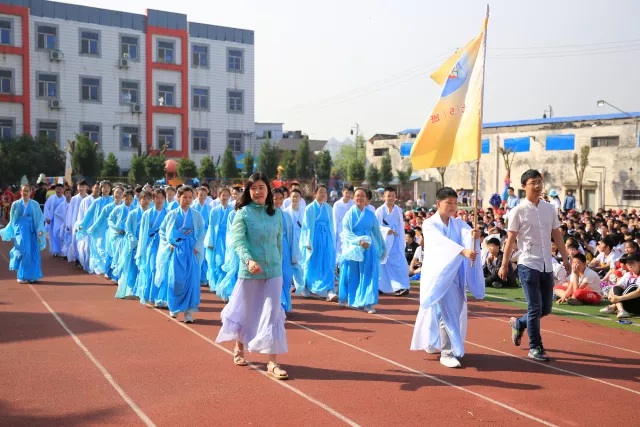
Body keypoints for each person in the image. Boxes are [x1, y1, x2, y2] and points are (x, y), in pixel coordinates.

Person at [215, 172, 288, 380]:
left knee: (273, 314)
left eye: (261, 187)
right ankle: (239, 347)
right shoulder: (243, 213)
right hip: (250, 271)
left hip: (273, 271)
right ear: (248, 191)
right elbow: (238, 241)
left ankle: (273, 362)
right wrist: (248, 260)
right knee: (247, 312)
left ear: (268, 190)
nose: (257, 191)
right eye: (253, 188)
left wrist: (280, 267)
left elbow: (279, 243)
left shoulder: (277, 214)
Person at [500, 169, 571, 362]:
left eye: (540, 182)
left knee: (545, 309)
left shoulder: (549, 208)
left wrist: (565, 259)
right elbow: (510, 239)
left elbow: (557, 235)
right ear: (524, 186)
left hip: (547, 264)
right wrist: (504, 263)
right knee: (534, 308)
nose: (538, 186)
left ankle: (519, 323)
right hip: (527, 264)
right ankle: (536, 347)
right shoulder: (517, 211)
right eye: (533, 182)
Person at [410, 187, 484, 369]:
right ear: (438, 204)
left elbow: (467, 234)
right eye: (448, 203)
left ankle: (434, 340)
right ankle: (446, 352)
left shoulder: (457, 223)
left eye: (454, 203)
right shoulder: (429, 224)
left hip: (455, 275)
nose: (452, 207)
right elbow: (440, 244)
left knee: (449, 311)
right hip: (437, 275)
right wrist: (463, 250)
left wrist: (474, 236)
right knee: (445, 312)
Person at [156, 186, 205, 322]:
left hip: (191, 250)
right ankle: (174, 307)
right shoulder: (172, 214)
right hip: (176, 250)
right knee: (175, 280)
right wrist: (169, 244)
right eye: (185, 197)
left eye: (190, 197)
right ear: (178, 198)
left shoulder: (196, 215)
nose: (188, 200)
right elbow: (162, 230)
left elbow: (201, 232)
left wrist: (197, 246)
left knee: (191, 280)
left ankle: (189, 312)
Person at [337, 188, 386, 313]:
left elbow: (376, 232)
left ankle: (367, 302)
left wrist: (381, 248)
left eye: (362, 196)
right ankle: (350, 298)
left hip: (368, 248)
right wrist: (359, 242)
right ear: (354, 198)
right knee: (351, 274)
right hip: (353, 248)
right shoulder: (349, 214)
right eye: (357, 196)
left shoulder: (371, 215)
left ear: (367, 199)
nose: (360, 198)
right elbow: (347, 232)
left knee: (368, 274)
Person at [0, 184, 46, 283]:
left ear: (30, 192)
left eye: (27, 191)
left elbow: (39, 218)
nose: (25, 193)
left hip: (31, 230)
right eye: (23, 191)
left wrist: (40, 229)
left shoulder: (35, 204)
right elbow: (12, 219)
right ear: (20, 192)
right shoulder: (15, 204)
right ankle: (22, 275)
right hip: (19, 230)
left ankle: (32, 276)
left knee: (32, 252)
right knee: (22, 250)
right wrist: (9, 230)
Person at [299, 184, 337, 301]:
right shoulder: (310, 208)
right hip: (314, 238)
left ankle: (330, 290)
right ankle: (308, 286)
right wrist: (307, 242)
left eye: (325, 192)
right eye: (320, 192)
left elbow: (331, 225)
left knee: (328, 263)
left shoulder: (329, 208)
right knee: (313, 263)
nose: (323, 194)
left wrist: (332, 241)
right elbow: (306, 227)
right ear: (315, 193)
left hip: (326, 239)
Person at [115, 190, 151, 299]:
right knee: (133, 267)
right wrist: (133, 240)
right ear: (139, 200)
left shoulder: (150, 213)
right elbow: (128, 229)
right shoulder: (133, 213)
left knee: (145, 267)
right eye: (143, 198)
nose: (145, 201)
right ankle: (132, 288)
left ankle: (142, 289)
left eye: (148, 199)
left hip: (147, 244)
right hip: (133, 245)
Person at [135, 188, 168, 307]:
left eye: (162, 198)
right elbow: (143, 233)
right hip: (152, 244)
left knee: (164, 269)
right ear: (153, 199)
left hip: (164, 245)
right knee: (153, 268)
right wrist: (142, 249)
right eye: (157, 197)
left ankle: (162, 297)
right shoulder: (147, 214)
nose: (159, 200)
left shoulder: (168, 213)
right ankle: (152, 295)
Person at [376, 187, 410, 296]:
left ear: (395, 197)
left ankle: (401, 286)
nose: (390, 198)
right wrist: (386, 230)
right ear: (384, 197)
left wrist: (402, 241)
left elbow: (400, 226)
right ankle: (381, 287)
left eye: (392, 196)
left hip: (396, 240)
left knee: (399, 263)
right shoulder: (380, 210)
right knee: (383, 264)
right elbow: (376, 226)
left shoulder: (398, 210)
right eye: (388, 196)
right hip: (384, 240)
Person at [272, 188, 300, 316]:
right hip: (271, 249)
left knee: (286, 276)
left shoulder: (286, 216)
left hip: (285, 249)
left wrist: (293, 254)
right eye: (275, 198)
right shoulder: (266, 215)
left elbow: (292, 237)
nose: (278, 201)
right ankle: (276, 307)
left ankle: (285, 305)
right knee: (274, 277)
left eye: (280, 198)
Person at [205, 187, 233, 294]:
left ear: (229, 197)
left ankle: (226, 288)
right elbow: (211, 226)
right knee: (219, 262)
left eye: (226, 195)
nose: (224, 197)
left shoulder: (233, 210)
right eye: (222, 195)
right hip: (218, 240)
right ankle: (219, 286)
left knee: (228, 262)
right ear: (219, 196)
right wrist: (210, 241)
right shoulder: (214, 210)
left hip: (229, 240)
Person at [601, 252, 640, 318]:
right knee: (616, 287)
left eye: (632, 262)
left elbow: (638, 292)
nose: (629, 265)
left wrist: (619, 298)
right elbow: (617, 286)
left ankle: (615, 307)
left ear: (639, 263)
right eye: (628, 263)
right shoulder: (628, 274)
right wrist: (611, 295)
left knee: (633, 286)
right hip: (631, 304)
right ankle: (621, 309)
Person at [108, 188, 134, 284]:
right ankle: (117, 276)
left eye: (130, 199)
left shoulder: (135, 209)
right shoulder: (117, 209)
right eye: (126, 199)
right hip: (119, 237)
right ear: (123, 198)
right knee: (119, 255)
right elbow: (110, 220)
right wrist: (117, 230)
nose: (128, 201)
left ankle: (126, 278)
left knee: (128, 257)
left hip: (129, 237)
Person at [75, 183, 100, 272]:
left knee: (97, 248)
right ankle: (87, 266)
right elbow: (81, 214)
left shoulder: (101, 200)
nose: (97, 190)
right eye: (95, 188)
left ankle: (96, 267)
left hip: (98, 228)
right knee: (87, 248)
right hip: (87, 228)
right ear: (92, 188)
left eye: (99, 188)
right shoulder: (85, 200)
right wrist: (80, 225)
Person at [63, 180, 88, 265]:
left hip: (86, 224)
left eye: (83, 186)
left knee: (85, 242)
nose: (81, 188)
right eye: (80, 186)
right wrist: (69, 224)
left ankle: (84, 260)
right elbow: (70, 212)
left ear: (86, 187)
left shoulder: (89, 199)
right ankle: (77, 259)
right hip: (75, 223)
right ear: (77, 187)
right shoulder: (74, 199)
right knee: (75, 242)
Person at [284, 189, 304, 291]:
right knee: (290, 260)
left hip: (301, 238)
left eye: (297, 196)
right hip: (290, 238)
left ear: (300, 198)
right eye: (293, 196)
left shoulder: (304, 211)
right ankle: (291, 283)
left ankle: (300, 283)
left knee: (300, 261)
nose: (295, 198)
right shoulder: (285, 212)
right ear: (290, 198)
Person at [192, 186, 212, 286]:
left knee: (205, 257)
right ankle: (196, 278)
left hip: (206, 234)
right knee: (196, 256)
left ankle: (204, 278)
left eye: (204, 195)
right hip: (196, 235)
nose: (202, 197)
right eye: (200, 195)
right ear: (197, 195)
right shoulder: (193, 207)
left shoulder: (209, 208)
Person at [332, 185, 355, 266]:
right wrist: (335, 235)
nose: (348, 195)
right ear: (342, 192)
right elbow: (335, 221)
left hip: (350, 232)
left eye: (350, 193)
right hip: (340, 232)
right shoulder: (337, 204)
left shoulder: (353, 204)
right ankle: (338, 270)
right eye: (346, 193)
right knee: (339, 252)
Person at [43, 184, 65, 257]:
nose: (59, 191)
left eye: (60, 189)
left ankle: (62, 251)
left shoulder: (65, 199)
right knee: (52, 235)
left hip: (61, 221)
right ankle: (54, 251)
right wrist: (47, 217)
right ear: (55, 190)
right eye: (57, 189)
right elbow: (46, 207)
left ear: (63, 190)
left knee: (61, 235)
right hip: (52, 220)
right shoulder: (51, 198)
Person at [53, 188, 72, 258]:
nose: (68, 195)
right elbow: (56, 212)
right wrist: (63, 218)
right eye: (66, 193)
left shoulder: (73, 204)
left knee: (70, 238)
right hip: (63, 225)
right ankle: (64, 253)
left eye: (69, 193)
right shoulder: (62, 204)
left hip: (71, 224)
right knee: (63, 238)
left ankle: (70, 254)